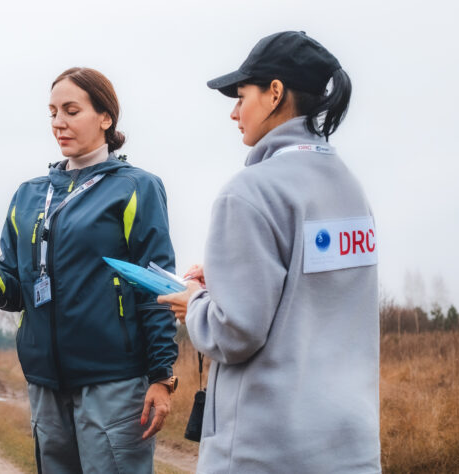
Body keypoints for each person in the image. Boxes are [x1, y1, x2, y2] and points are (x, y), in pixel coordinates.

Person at [159, 31, 381, 473]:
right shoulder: (349, 186)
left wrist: (196, 301)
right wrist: (228, 278)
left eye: (241, 96)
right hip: (350, 450)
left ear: (275, 92)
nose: (234, 112)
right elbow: (310, 291)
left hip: (265, 454)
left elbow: (235, 333)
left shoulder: (249, 192)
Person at [0, 67, 178, 474]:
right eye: (53, 112)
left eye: (72, 111)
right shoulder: (28, 195)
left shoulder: (135, 187)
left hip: (114, 381)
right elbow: (17, 291)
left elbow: (156, 286)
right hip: (45, 381)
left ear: (105, 117)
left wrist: (162, 376)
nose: (59, 122)